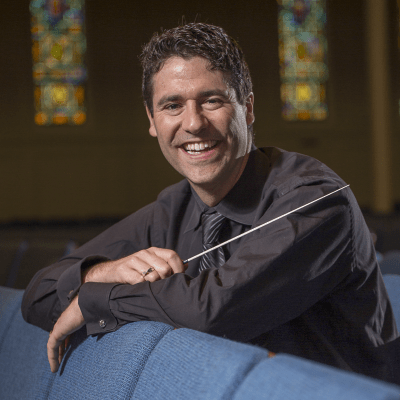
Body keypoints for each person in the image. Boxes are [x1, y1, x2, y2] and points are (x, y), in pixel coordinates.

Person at [22, 23, 399, 384]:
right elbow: (38, 296)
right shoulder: (174, 208)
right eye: (172, 105)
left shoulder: (315, 200)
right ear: (152, 120)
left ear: (247, 110)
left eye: (212, 100)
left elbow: (213, 310)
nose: (193, 123)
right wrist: (103, 273)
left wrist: (95, 300)